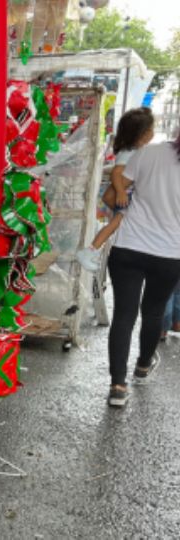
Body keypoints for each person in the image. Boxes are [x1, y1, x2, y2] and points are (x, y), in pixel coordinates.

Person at [105, 127, 180, 408]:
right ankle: (143, 366)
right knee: (153, 312)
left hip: (130, 246)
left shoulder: (147, 153)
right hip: (170, 253)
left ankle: (117, 385)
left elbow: (117, 190)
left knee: (123, 316)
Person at [77, 108, 155, 272]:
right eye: (150, 130)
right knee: (114, 225)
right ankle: (90, 251)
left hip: (126, 196)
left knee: (116, 226)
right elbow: (116, 173)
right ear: (141, 134)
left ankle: (93, 251)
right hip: (125, 197)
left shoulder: (134, 151)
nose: (152, 133)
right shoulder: (130, 153)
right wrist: (120, 192)